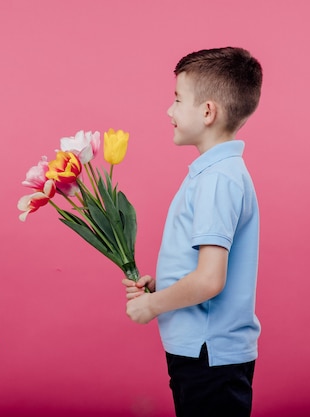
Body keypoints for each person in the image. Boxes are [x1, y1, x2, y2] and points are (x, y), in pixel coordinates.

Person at [123, 47, 263, 417]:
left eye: (177, 99)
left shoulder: (217, 179)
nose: (169, 110)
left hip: (209, 355)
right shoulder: (214, 173)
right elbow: (200, 272)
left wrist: (152, 305)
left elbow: (210, 279)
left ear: (207, 112)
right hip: (202, 353)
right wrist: (163, 289)